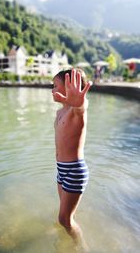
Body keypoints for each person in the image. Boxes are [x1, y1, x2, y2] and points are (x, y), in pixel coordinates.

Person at [52, 68, 92, 245]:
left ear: (69, 89)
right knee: (66, 211)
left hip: (75, 170)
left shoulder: (76, 113)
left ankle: (81, 246)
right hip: (62, 169)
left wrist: (79, 103)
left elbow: (81, 108)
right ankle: (71, 229)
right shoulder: (59, 112)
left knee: (64, 219)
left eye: (55, 86)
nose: (52, 90)